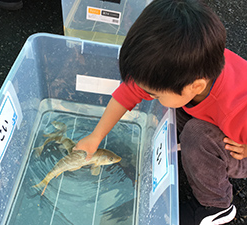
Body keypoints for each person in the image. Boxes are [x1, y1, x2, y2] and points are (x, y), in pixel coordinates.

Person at [73, 0, 247, 224]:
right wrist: (95, 136)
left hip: (237, 144)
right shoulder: (186, 66)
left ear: (196, 86)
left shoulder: (237, 111)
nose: (146, 95)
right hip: (210, 114)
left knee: (196, 135)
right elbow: (127, 94)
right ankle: (183, 144)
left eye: (153, 93)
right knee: (175, 108)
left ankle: (216, 205)